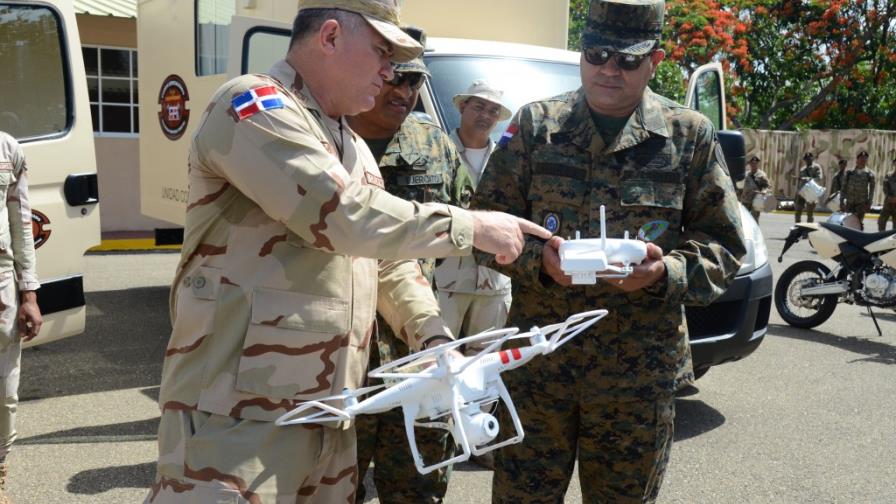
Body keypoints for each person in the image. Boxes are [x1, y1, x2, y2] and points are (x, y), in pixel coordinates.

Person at [144, 2, 551, 503]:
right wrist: (472, 226)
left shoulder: (349, 144)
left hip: (331, 415)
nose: (390, 73)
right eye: (382, 52)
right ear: (331, 37)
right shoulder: (254, 106)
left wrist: (432, 338)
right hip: (238, 417)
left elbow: (385, 261)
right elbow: (341, 215)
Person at [470, 0, 747, 502]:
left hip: (636, 379)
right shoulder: (536, 126)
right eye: (596, 54)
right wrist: (539, 262)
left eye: (627, 59)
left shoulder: (687, 135)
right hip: (539, 368)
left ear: (654, 61)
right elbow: (483, 227)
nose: (609, 69)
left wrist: (665, 272)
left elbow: (724, 245)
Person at [346, 27, 471, 504]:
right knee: (330, 487)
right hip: (342, 358)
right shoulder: (326, 141)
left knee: (419, 485)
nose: (404, 91)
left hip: (418, 352)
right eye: (394, 78)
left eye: (414, 81)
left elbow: (468, 213)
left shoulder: (433, 143)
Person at [435, 80, 513, 358]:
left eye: (493, 111)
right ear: (462, 107)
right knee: (436, 361)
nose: (485, 115)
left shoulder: (507, 159)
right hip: (446, 279)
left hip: (494, 281)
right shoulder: (436, 150)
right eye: (479, 106)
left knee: (484, 365)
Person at [0, 132, 42, 504]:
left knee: (4, 393)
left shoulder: (8, 150)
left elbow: (21, 223)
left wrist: (29, 294)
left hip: (1, 284)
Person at [842, 150, 876, 230]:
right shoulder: (849, 172)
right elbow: (843, 188)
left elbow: (872, 190)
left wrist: (869, 203)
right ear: (857, 159)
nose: (863, 160)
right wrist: (841, 201)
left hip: (861, 204)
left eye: (865, 158)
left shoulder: (870, 174)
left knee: (858, 224)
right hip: (849, 203)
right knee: (848, 223)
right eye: (861, 158)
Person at [793, 152, 824, 223]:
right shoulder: (802, 169)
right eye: (806, 159)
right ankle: (798, 226)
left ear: (812, 158)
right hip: (802, 192)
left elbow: (819, 178)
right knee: (798, 211)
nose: (807, 160)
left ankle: (809, 227)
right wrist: (796, 194)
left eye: (809, 158)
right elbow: (800, 182)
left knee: (810, 213)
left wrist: (808, 179)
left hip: (811, 192)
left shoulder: (816, 167)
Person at [739, 155, 770, 221]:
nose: (753, 165)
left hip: (757, 199)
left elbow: (767, 186)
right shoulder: (746, 174)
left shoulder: (761, 175)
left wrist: (764, 191)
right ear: (749, 164)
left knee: (754, 219)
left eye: (755, 163)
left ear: (758, 164)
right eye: (752, 163)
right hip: (746, 199)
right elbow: (741, 185)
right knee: (744, 219)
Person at [880, 158, 896, 231]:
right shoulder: (888, 175)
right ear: (894, 164)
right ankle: (881, 236)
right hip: (888, 203)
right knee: (881, 222)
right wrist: (890, 198)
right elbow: (885, 188)